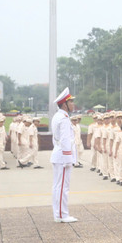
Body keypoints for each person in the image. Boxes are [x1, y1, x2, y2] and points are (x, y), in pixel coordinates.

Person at [51, 88, 78, 222]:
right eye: (71, 102)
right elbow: (65, 140)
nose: (73, 104)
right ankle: (62, 215)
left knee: (58, 186)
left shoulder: (58, 116)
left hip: (58, 154)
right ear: (64, 104)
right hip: (63, 157)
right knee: (62, 187)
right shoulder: (63, 118)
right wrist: (69, 159)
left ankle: (59, 213)